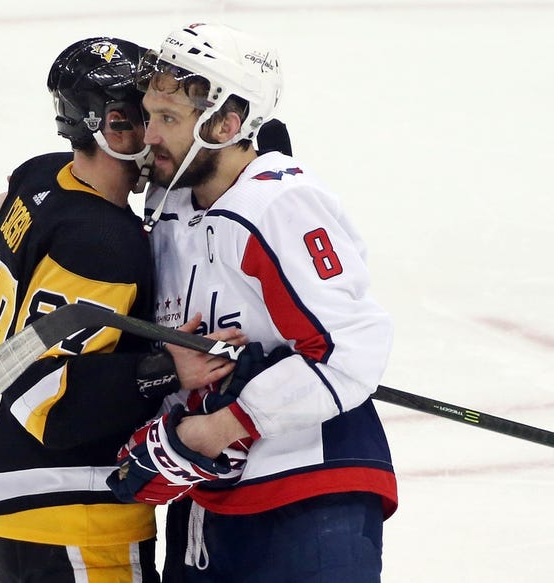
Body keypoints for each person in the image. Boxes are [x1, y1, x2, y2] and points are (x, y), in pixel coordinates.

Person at [0, 36, 244, 583]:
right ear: (108, 127)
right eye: (142, 118)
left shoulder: (37, 176)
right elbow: (49, 404)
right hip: (56, 502)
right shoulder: (105, 242)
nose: (157, 134)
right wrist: (165, 368)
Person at [106, 23, 398, 582]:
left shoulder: (280, 204)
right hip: (211, 499)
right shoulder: (168, 205)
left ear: (226, 124)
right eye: (150, 115)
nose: (151, 135)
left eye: (168, 120)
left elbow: (349, 349)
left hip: (310, 490)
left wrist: (217, 430)